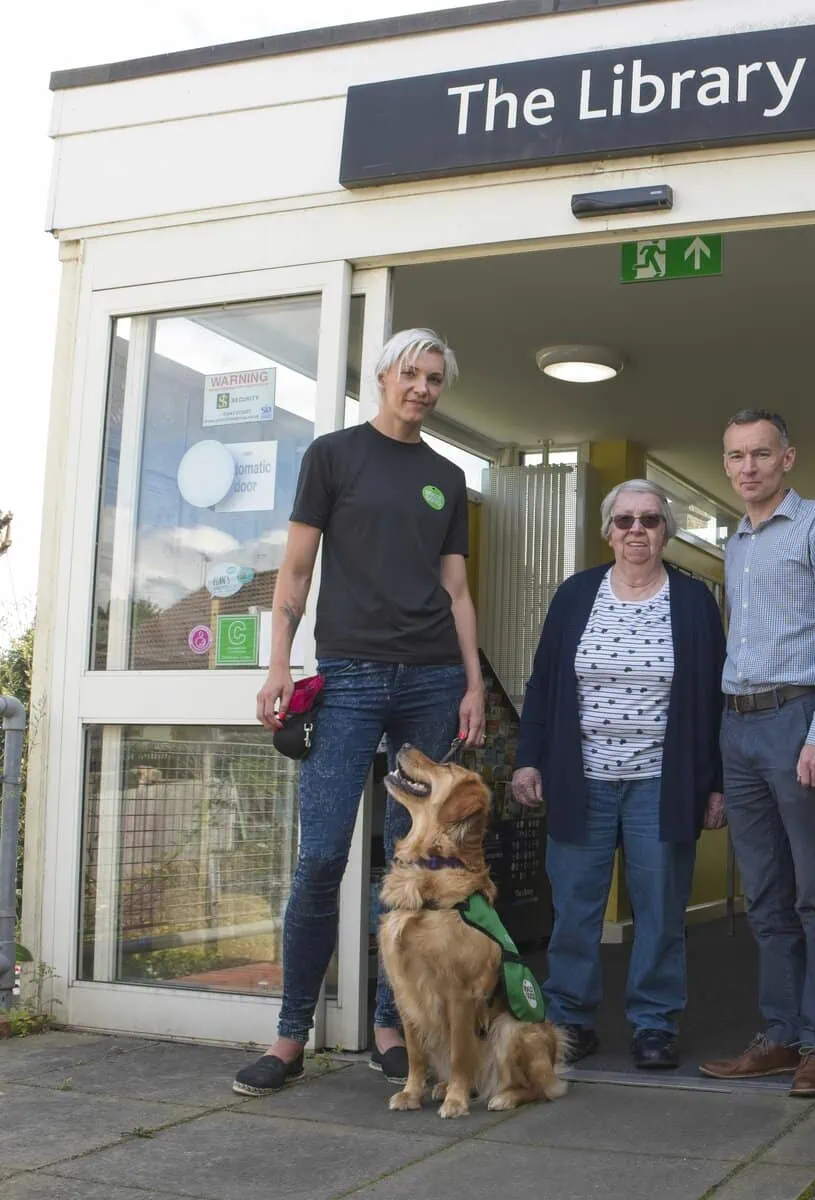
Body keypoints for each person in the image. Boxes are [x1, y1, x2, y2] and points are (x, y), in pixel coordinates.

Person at [233, 328, 486, 1097]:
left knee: (411, 861)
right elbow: (298, 566)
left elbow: (457, 591)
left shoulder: (446, 476)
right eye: (410, 372)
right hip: (347, 677)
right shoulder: (334, 456)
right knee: (321, 857)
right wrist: (280, 661)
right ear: (382, 376)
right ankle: (287, 1038)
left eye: (434, 377)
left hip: (433, 679)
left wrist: (474, 684)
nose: (421, 387)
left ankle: (390, 1026)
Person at [513, 480, 726, 1070]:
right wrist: (528, 758)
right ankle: (571, 1019)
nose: (637, 530)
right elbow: (543, 684)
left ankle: (654, 1024)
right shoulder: (576, 595)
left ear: (667, 532)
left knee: (660, 907)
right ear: (607, 530)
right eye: (625, 520)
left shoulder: (692, 601)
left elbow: (713, 698)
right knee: (576, 906)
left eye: (650, 521)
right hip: (581, 777)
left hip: (663, 780)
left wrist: (717, 785)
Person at [699, 409, 815, 1097]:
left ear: (788, 458)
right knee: (765, 895)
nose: (748, 468)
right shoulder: (735, 541)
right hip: (737, 727)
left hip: (797, 719)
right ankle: (779, 1035)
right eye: (736, 456)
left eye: (761, 454)